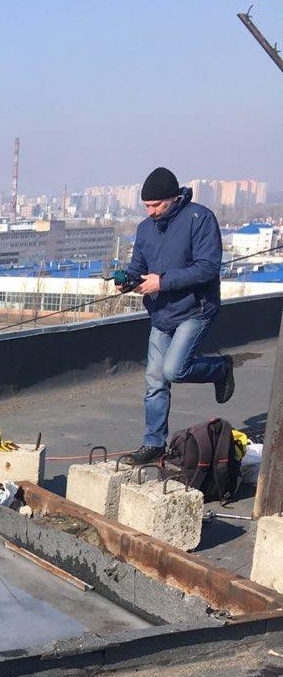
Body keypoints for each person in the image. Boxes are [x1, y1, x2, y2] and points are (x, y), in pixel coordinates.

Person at [118, 167, 234, 466]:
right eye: (146, 206)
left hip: (195, 309)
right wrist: (128, 280)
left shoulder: (200, 218)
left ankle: (220, 368)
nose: (151, 211)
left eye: (156, 205)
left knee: (174, 370)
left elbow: (207, 267)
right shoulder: (145, 229)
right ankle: (154, 443)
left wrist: (163, 282)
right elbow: (138, 266)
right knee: (154, 381)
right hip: (161, 313)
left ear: (174, 198)